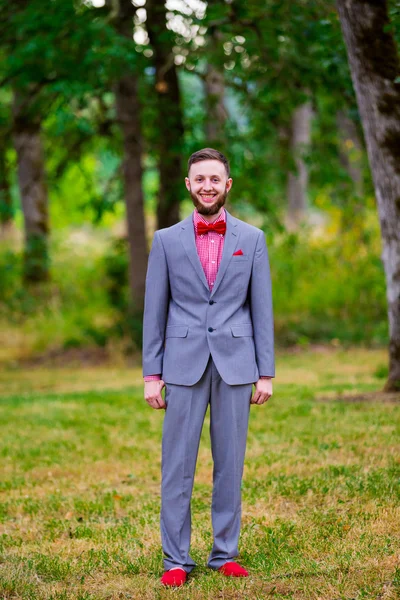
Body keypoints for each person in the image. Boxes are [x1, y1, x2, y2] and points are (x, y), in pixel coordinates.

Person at [142, 148, 275, 587]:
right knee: (177, 464)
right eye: (199, 179)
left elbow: (261, 309)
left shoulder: (252, 239)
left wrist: (266, 372)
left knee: (230, 463)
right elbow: (155, 311)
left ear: (228, 185)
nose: (207, 186)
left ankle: (225, 553)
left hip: (237, 365)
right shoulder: (165, 241)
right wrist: (151, 374)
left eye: (215, 179)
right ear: (188, 184)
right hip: (182, 365)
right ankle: (175, 560)